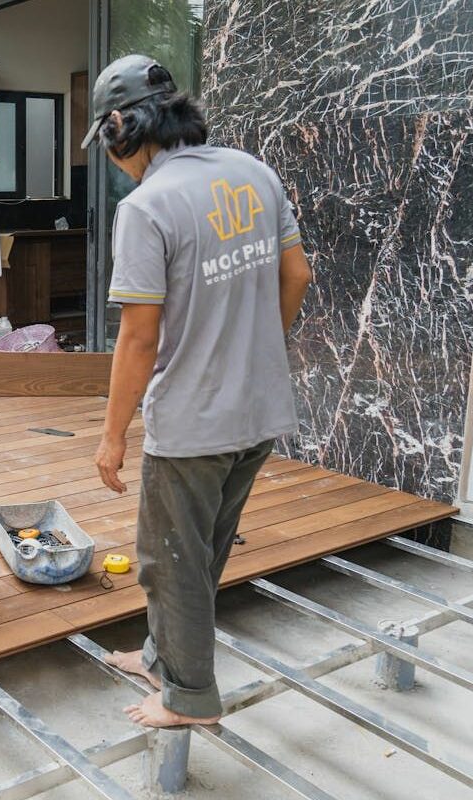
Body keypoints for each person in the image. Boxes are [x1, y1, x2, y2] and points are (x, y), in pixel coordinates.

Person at [83, 55, 313, 728]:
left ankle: (188, 697)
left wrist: (111, 434)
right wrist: (254, 348)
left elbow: (139, 339)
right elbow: (296, 274)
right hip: (259, 410)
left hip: (191, 423)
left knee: (167, 558)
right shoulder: (255, 173)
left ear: (121, 130)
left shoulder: (147, 206)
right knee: (201, 549)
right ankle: (161, 655)